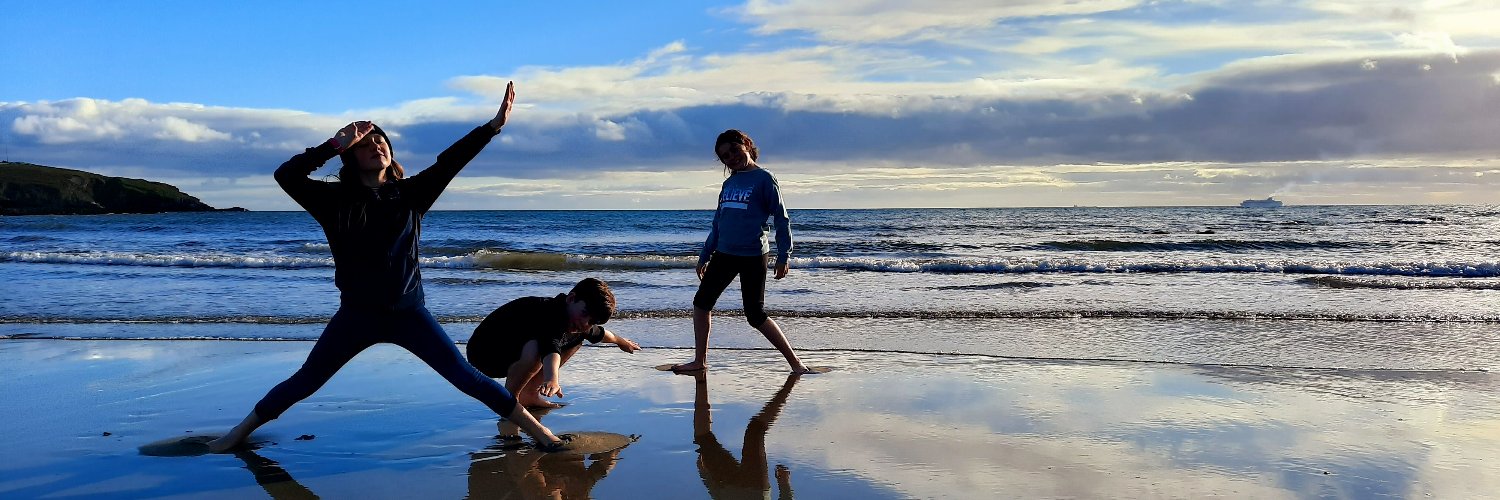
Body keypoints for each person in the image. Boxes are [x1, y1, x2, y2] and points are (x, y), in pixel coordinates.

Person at [208, 82, 568, 453]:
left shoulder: (412, 193)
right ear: (350, 155)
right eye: (364, 143)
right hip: (357, 316)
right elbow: (286, 175)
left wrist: (492, 126)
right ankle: (236, 435)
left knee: (466, 377)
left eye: (379, 140)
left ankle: (542, 435)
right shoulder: (332, 201)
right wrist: (332, 145)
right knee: (306, 381)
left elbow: (450, 162)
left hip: (409, 313)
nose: (375, 145)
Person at [670, 129, 814, 374]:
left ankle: (796, 363)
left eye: (734, 150)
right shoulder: (728, 183)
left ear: (746, 144)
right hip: (724, 254)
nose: (731, 158)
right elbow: (718, 223)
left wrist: (784, 255)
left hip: (753, 255)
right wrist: (704, 256)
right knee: (701, 304)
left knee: (754, 315)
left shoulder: (765, 179)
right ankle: (699, 361)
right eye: (725, 156)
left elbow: (781, 218)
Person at [466, 278, 641, 408]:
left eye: (592, 321)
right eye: (584, 314)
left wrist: (621, 341)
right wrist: (552, 379)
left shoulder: (579, 323)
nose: (585, 323)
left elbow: (601, 334)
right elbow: (551, 348)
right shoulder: (550, 312)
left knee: (578, 337)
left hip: (512, 352)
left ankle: (529, 395)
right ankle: (510, 403)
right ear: (571, 299)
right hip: (485, 353)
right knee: (536, 348)